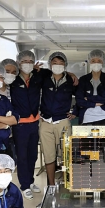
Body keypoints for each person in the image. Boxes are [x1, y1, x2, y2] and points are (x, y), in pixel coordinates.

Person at [39, 51, 77, 186]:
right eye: (55, 63)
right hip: (45, 121)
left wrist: (76, 112)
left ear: (65, 65)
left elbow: (81, 96)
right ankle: (51, 184)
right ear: (50, 64)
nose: (58, 66)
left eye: (61, 63)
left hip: (63, 121)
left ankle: (66, 182)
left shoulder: (70, 81)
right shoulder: (43, 77)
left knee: (66, 153)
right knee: (49, 155)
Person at [10, 50, 43, 200]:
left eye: (31, 61)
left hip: (34, 122)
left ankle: (30, 182)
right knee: (22, 156)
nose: (28, 64)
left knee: (32, 155)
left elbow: (51, 75)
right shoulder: (13, 80)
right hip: (20, 124)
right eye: (25, 61)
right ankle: (24, 185)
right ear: (19, 63)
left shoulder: (37, 78)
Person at [75, 49, 105, 127]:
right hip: (86, 117)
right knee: (86, 139)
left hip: (104, 116)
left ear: (103, 62)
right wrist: (95, 103)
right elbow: (79, 100)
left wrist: (88, 99)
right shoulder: (83, 79)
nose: (96, 63)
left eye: (99, 61)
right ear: (89, 62)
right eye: (93, 61)